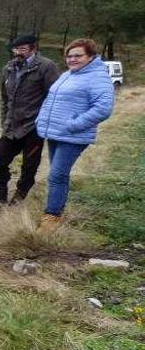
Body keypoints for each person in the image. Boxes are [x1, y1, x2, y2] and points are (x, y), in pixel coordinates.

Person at [35, 38, 113, 232]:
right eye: (69, 56)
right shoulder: (68, 75)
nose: (72, 59)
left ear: (91, 56)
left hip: (73, 135)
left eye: (78, 55)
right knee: (59, 174)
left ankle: (52, 216)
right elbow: (51, 98)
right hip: (56, 133)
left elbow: (103, 108)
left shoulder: (97, 77)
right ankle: (56, 211)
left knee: (56, 175)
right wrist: (40, 119)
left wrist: (74, 124)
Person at [0, 35, 60, 209]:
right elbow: (4, 99)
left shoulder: (46, 67)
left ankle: (18, 200)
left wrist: (45, 121)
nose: (18, 53)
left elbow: (54, 97)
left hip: (34, 128)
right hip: (11, 127)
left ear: (33, 48)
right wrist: (4, 120)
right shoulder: (8, 68)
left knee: (29, 167)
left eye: (22, 49)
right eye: (15, 49)